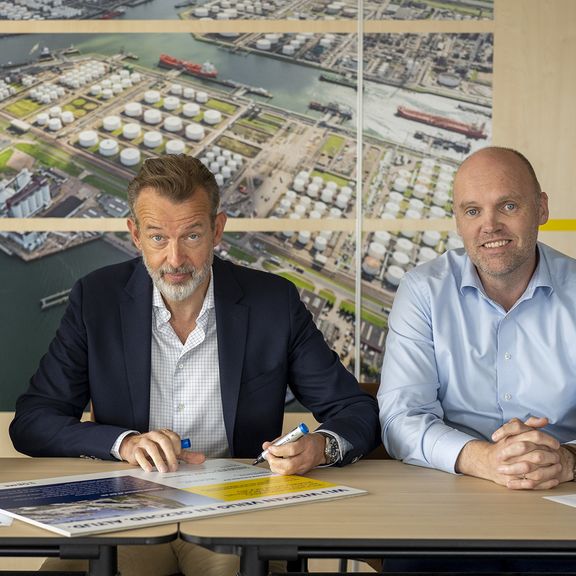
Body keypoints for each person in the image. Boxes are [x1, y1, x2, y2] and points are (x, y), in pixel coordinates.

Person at [10, 154, 380, 576]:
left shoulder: (273, 302)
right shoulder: (96, 298)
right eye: (157, 238)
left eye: (191, 236)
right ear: (134, 234)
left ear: (217, 229)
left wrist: (321, 446)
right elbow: (33, 421)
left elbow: (357, 410)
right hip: (128, 510)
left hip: (236, 512)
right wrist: (124, 443)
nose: (174, 259)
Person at [378, 146, 576, 572]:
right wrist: (482, 458)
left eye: (508, 205)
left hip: (562, 496)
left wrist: (567, 459)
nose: (490, 226)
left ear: (540, 208)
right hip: (448, 497)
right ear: (457, 219)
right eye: (472, 210)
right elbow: (400, 418)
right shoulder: (423, 292)